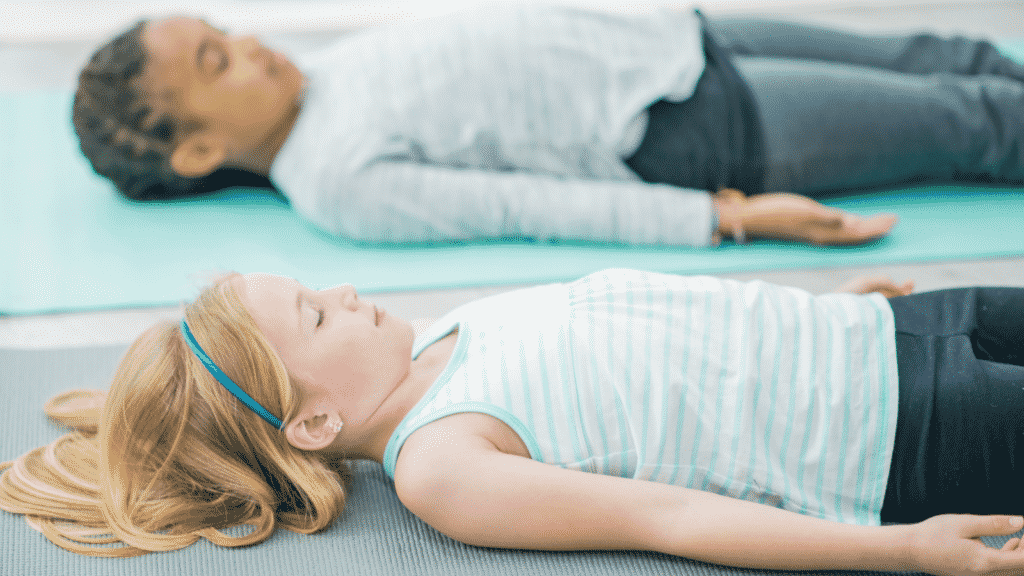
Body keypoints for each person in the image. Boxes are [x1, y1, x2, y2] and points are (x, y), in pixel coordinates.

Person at [3, 267, 1024, 576]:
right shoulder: (443, 461)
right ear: (313, 423)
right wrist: (897, 550)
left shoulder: (449, 325)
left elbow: (660, 321)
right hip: (903, 432)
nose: (347, 293)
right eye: (317, 314)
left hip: (886, 326)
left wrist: (838, 304)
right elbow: (666, 517)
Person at [70, 4, 1024, 247]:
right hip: (679, 128)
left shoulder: (317, 77)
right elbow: (529, 206)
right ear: (196, 149)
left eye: (224, 32)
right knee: (968, 120)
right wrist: (727, 217)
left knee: (953, 54)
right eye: (215, 63)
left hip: (671, 36)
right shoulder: (337, 182)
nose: (249, 43)